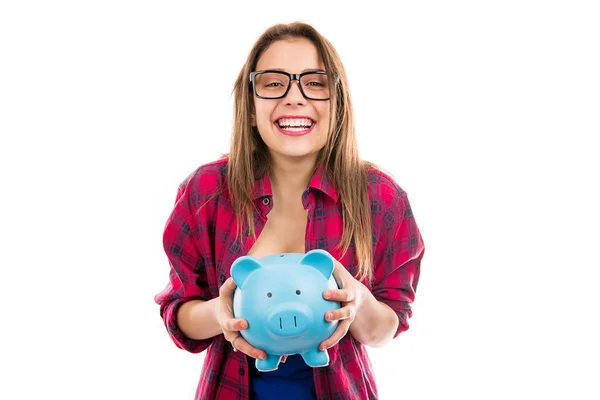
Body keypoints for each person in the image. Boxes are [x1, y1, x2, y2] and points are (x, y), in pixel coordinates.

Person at [155, 21, 425, 400]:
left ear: (338, 104)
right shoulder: (205, 192)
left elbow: (385, 329)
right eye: (273, 83)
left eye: (314, 82)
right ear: (250, 108)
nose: (294, 98)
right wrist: (220, 312)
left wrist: (358, 300)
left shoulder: (380, 197)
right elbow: (178, 315)